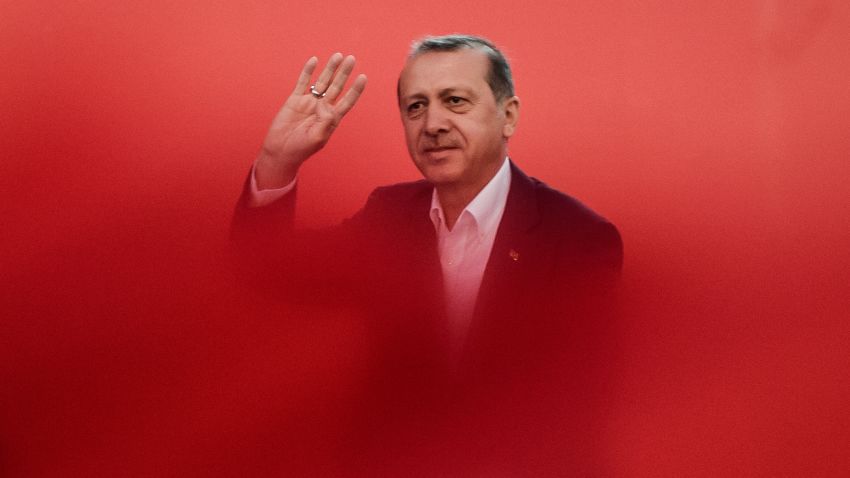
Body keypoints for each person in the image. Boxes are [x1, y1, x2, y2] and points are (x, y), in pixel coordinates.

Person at [231, 35, 623, 473]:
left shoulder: (577, 238)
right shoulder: (389, 215)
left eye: (454, 101)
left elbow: (571, 409)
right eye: (415, 107)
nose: (432, 123)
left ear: (508, 116)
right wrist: (277, 161)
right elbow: (267, 268)